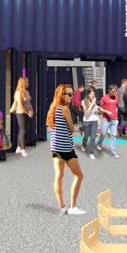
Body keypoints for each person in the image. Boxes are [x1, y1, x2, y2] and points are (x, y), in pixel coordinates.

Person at [47, 84, 85, 215]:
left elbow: (51, 127)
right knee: (79, 175)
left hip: (55, 147)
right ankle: (73, 207)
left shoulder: (53, 108)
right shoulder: (65, 109)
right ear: (61, 95)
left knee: (59, 176)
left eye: (72, 94)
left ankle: (62, 207)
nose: (71, 96)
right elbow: (72, 128)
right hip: (66, 147)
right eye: (68, 94)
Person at [10, 77, 34, 157]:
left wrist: (31, 110)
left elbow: (29, 103)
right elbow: (20, 104)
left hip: (27, 113)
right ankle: (23, 149)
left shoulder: (26, 92)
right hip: (20, 113)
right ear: (23, 83)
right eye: (26, 82)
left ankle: (18, 147)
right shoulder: (18, 92)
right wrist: (27, 112)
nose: (28, 84)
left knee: (23, 130)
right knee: (23, 130)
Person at [97, 85, 120, 158]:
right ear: (109, 91)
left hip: (114, 120)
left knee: (113, 136)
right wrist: (106, 112)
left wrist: (116, 114)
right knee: (103, 133)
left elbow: (116, 106)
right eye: (113, 92)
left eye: (115, 92)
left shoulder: (116, 97)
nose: (114, 93)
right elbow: (100, 108)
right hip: (106, 119)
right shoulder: (104, 98)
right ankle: (99, 143)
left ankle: (113, 152)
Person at [79, 89, 100, 158]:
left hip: (94, 121)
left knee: (93, 137)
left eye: (94, 94)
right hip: (86, 121)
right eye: (92, 94)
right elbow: (86, 113)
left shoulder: (94, 102)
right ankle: (84, 144)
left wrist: (98, 109)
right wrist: (92, 104)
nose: (93, 96)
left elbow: (96, 110)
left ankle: (91, 152)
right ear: (88, 94)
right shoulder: (83, 101)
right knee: (86, 136)